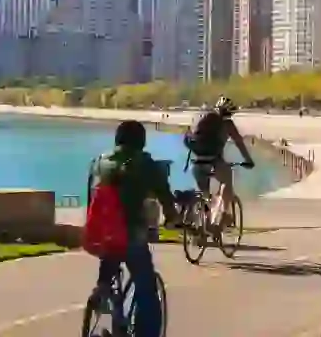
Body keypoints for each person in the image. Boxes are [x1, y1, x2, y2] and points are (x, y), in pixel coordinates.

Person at [86, 120, 179, 337]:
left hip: (102, 233)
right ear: (142, 141)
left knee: (110, 261)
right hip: (130, 234)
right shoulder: (144, 163)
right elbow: (164, 193)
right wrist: (173, 218)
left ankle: (102, 290)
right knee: (147, 291)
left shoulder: (100, 161)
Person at [186, 96, 256, 230]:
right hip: (214, 161)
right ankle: (223, 214)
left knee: (204, 194)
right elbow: (239, 143)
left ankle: (204, 224)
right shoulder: (227, 124)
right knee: (226, 181)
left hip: (197, 161)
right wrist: (248, 160)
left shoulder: (201, 118)